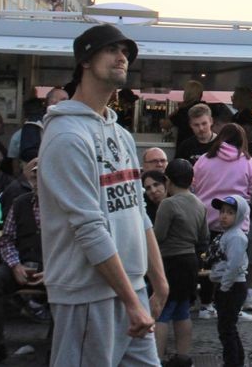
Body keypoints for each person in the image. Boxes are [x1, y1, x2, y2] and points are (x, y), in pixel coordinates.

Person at [39, 24, 167, 365]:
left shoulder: (121, 134)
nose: (122, 57)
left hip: (130, 288)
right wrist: (131, 300)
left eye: (125, 52)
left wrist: (159, 280)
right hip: (87, 294)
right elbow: (89, 227)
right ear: (85, 60)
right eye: (112, 49)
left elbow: (137, 211)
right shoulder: (67, 135)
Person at [0, 158, 42, 367]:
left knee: (66, 284)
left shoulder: (63, 205)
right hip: (20, 263)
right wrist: (14, 265)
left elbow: (70, 246)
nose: (38, 182)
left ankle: (59, 347)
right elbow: (7, 239)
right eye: (35, 177)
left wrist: (53, 271)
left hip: (51, 268)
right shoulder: (20, 202)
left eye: (43, 177)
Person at [192, 123, 252, 321]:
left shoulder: (204, 160)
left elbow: (193, 185)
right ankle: (233, 307)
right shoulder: (248, 162)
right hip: (237, 224)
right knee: (235, 266)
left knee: (208, 264)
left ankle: (206, 305)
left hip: (207, 220)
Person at [154, 159, 208, 367]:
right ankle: (183, 357)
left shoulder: (168, 204)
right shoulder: (199, 203)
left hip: (170, 261)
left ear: (167, 180)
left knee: (163, 312)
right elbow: (204, 237)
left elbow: (158, 236)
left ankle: (156, 358)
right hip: (190, 261)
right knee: (183, 310)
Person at [209, 195, 250, 367]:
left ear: (239, 215)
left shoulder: (236, 237)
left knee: (226, 328)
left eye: (230, 213)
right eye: (222, 212)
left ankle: (232, 362)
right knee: (227, 327)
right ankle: (236, 360)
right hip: (227, 285)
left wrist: (224, 287)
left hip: (233, 287)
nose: (224, 216)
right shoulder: (226, 235)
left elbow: (233, 265)